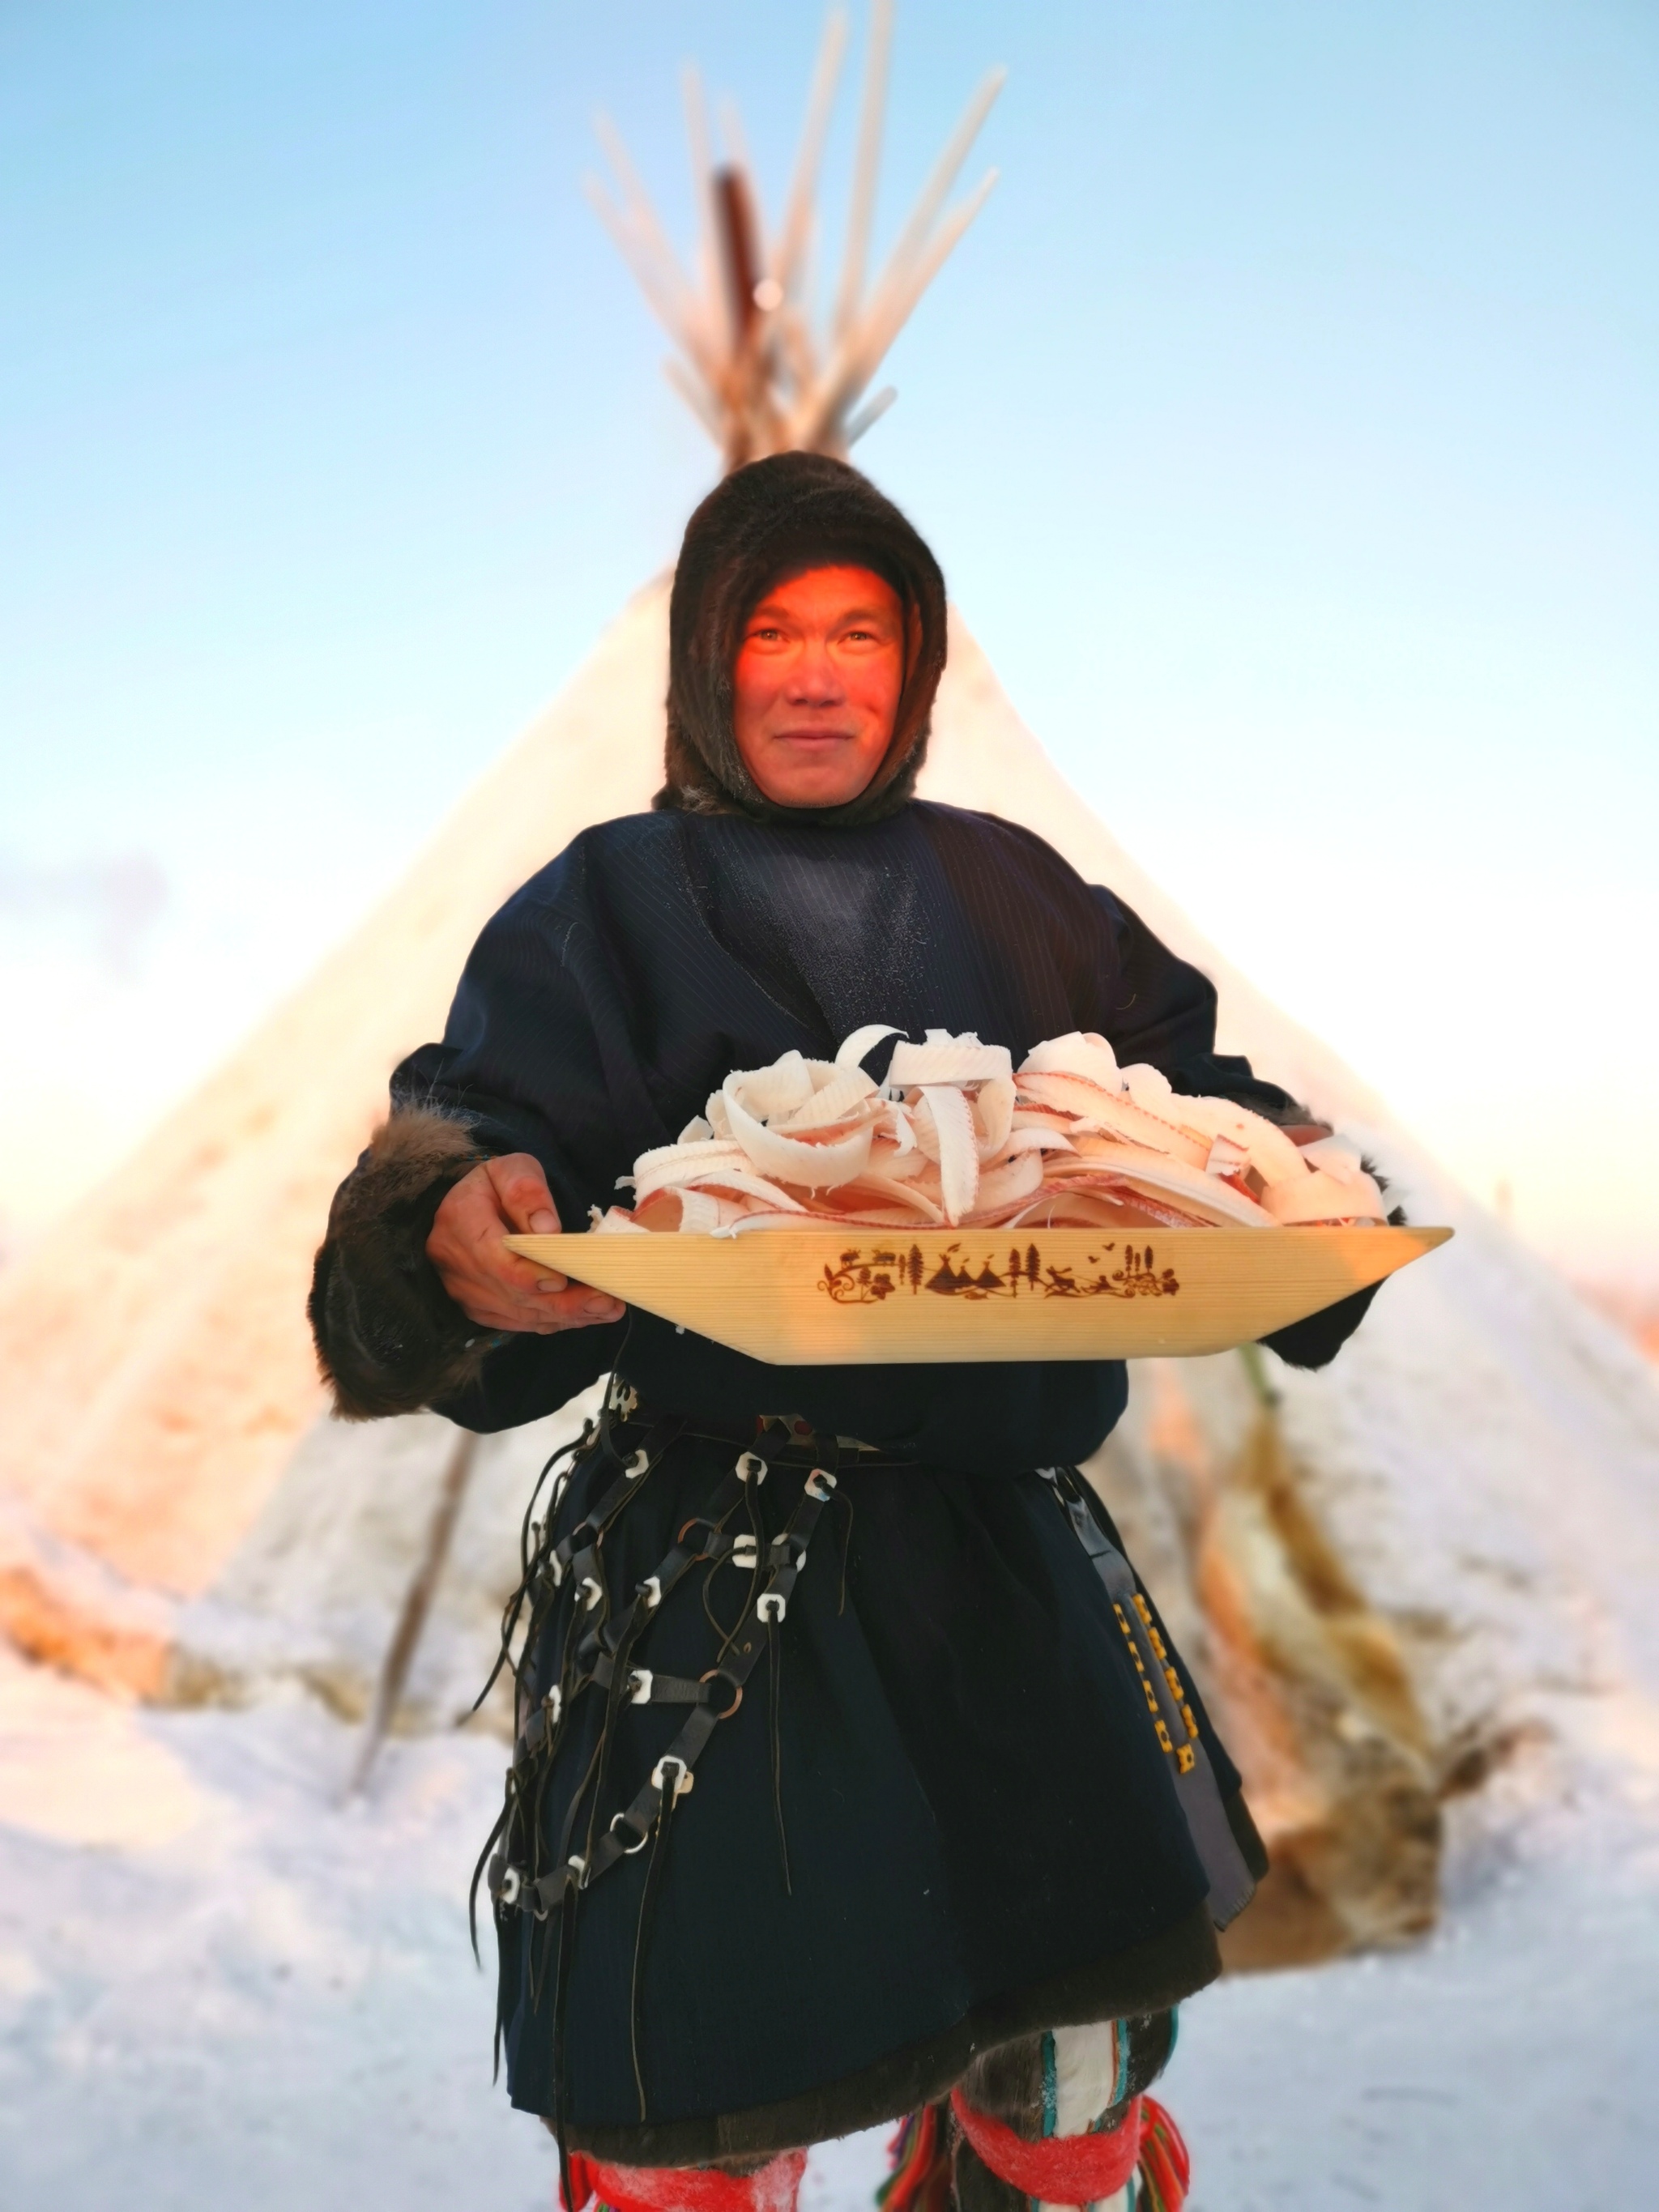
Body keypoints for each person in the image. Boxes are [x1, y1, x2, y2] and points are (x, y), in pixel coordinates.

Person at [309, 452, 1380, 2212]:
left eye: (861, 634)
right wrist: (448, 1231)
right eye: (773, 631)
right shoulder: (604, 903)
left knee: (1068, 2089)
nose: (817, 675)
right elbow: (479, 1135)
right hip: (716, 1576)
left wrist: (1301, 1185)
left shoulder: (1023, 891)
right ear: (704, 663)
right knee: (708, 2114)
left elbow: (1190, 1114)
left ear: (917, 666)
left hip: (1005, 1561)